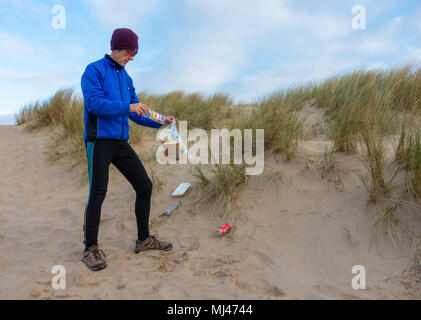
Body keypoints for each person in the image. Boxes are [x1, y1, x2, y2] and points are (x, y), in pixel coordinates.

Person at [80, 28, 174, 271]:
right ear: (117, 47)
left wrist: (160, 121)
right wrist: (129, 106)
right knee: (97, 193)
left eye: (135, 53)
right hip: (98, 141)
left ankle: (143, 240)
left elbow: (136, 113)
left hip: (120, 143)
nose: (132, 57)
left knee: (144, 186)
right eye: (130, 51)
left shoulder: (126, 78)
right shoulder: (94, 70)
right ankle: (90, 249)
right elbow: (94, 103)